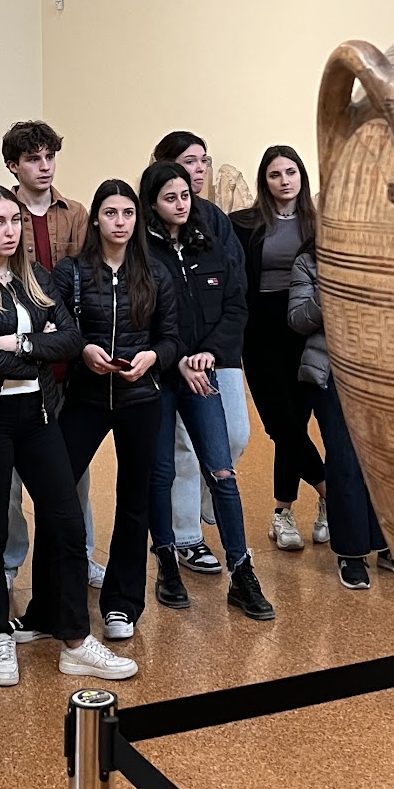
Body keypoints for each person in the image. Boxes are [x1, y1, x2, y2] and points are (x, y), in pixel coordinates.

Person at [0, 185, 135, 688]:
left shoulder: (37, 278)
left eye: (15, 222)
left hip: (39, 413)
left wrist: (22, 343)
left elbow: (70, 339)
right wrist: (39, 350)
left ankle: (75, 640)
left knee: (67, 522)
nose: (10, 231)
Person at [140, 162, 273, 619]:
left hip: (203, 372)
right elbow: (143, 319)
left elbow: (235, 306)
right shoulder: (142, 252)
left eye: (185, 195)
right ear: (152, 204)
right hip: (161, 375)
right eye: (170, 198)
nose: (181, 204)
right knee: (162, 473)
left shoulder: (209, 242)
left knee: (222, 472)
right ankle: (167, 564)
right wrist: (177, 358)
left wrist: (209, 354)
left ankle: (242, 573)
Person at [51, 181, 180, 643]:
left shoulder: (156, 273)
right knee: (58, 494)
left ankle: (122, 605)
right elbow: (56, 325)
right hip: (83, 399)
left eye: (128, 213)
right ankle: (52, 600)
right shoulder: (71, 272)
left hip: (139, 400)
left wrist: (153, 357)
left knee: (134, 502)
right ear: (95, 219)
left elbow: (172, 338)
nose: (120, 222)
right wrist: (82, 348)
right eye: (110, 213)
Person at [150, 131, 256, 572]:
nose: (197, 170)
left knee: (236, 436)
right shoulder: (146, 230)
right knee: (183, 448)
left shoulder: (212, 219)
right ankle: (187, 536)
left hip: (218, 353)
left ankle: (213, 498)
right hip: (173, 357)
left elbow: (235, 285)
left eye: (202, 161)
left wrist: (213, 350)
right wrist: (177, 355)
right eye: (188, 161)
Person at [2, 118, 101, 588]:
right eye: (33, 159)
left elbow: (87, 276)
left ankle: (79, 554)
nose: (44, 166)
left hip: (66, 357)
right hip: (19, 357)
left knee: (73, 471)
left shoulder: (76, 213)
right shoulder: (1, 211)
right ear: (13, 165)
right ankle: (10, 560)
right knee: (9, 479)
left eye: (50, 157)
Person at [232, 146, 328, 550]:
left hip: (306, 330)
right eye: (275, 174)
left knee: (296, 424)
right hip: (259, 332)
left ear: (301, 176)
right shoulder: (243, 224)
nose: (284, 180)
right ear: (264, 181)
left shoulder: (319, 223)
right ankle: (331, 493)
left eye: (291, 172)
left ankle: (282, 512)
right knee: (280, 424)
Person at [287, 238, 394, 589]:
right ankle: (351, 552)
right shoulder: (308, 263)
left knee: (383, 460)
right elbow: (298, 319)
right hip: (331, 374)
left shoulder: (382, 256)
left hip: (380, 371)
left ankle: (388, 545)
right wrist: (331, 288)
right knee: (345, 459)